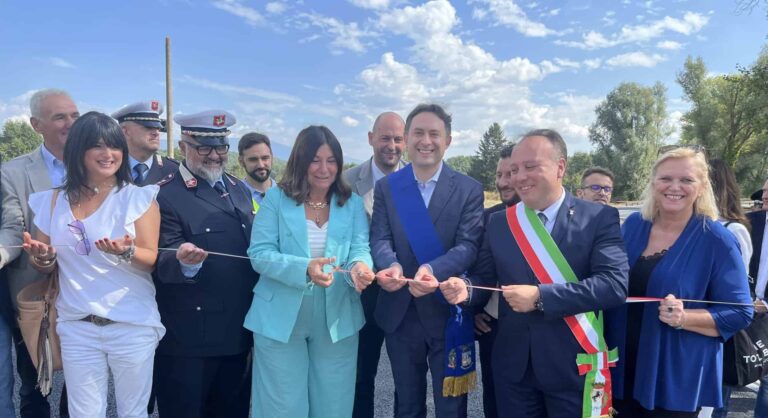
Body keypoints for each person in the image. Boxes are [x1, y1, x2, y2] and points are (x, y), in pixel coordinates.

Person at [441, 129, 629, 418]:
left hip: (573, 365)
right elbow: (485, 278)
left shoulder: (598, 217)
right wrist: (465, 288)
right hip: (514, 367)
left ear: (560, 167)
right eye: (515, 169)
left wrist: (542, 297)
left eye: (530, 167)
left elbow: (613, 285)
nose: (519, 177)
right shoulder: (500, 222)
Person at [22, 111, 164, 417]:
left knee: (133, 412)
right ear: (78, 150)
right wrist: (42, 257)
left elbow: (151, 259)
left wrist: (126, 252)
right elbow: (43, 262)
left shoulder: (138, 199)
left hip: (131, 324)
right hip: (77, 326)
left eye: (114, 146)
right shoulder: (52, 201)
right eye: (97, 145)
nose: (108, 154)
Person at [604, 148, 753, 416]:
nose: (674, 187)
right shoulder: (634, 224)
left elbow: (741, 312)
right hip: (622, 366)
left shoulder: (717, 239)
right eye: (666, 178)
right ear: (653, 182)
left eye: (686, 180)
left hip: (674, 378)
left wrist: (685, 317)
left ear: (702, 186)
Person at [244, 125, 375, 417]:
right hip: (279, 318)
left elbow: (359, 248)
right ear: (300, 160)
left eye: (331, 160)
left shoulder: (352, 204)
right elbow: (259, 254)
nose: (324, 169)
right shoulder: (276, 199)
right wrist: (304, 268)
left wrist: (360, 267)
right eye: (315, 160)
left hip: (338, 316)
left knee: (333, 406)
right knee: (282, 408)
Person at [371, 103, 484, 417]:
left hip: (446, 312)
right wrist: (390, 265)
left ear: (448, 141)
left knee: (451, 407)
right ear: (407, 138)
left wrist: (433, 269)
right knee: (407, 404)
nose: (426, 141)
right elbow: (379, 238)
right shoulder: (387, 187)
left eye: (434, 134)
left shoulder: (469, 189)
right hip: (400, 311)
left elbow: (468, 246)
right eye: (418, 133)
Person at [153, 110, 257, 418]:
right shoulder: (164, 194)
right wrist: (184, 260)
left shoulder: (238, 188)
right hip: (189, 339)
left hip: (237, 332)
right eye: (204, 147)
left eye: (221, 146)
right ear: (183, 146)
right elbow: (161, 255)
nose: (214, 155)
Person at [0, 88, 79, 418]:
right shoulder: (12, 172)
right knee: (33, 382)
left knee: (82, 381)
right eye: (60, 117)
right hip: (34, 293)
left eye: (74, 115)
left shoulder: (97, 163)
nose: (70, 123)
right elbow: (13, 227)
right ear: (36, 125)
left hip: (84, 290)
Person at [343, 111, 406, 418]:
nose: (391, 145)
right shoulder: (346, 182)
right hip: (361, 292)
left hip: (404, 294)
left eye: (398, 139)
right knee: (360, 374)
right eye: (385, 138)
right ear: (370, 138)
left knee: (406, 378)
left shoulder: (417, 181)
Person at [473, 143, 518, 418]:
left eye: (509, 174)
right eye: (499, 175)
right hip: (493, 326)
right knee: (494, 398)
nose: (502, 182)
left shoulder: (549, 219)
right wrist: (474, 310)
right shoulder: (488, 218)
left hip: (538, 327)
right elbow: (476, 268)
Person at [743, 177, 768, 418]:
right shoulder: (750, 222)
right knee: (728, 373)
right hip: (742, 306)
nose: (765, 196)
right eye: (765, 190)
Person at [112, 100, 179, 186]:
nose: (156, 133)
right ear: (125, 131)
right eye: (148, 127)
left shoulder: (174, 171)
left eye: (158, 128)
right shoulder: (109, 169)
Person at [237, 132, 276, 213]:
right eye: (253, 159)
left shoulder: (287, 195)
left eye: (265, 158)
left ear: (272, 158)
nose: (261, 165)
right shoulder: (234, 198)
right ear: (241, 161)